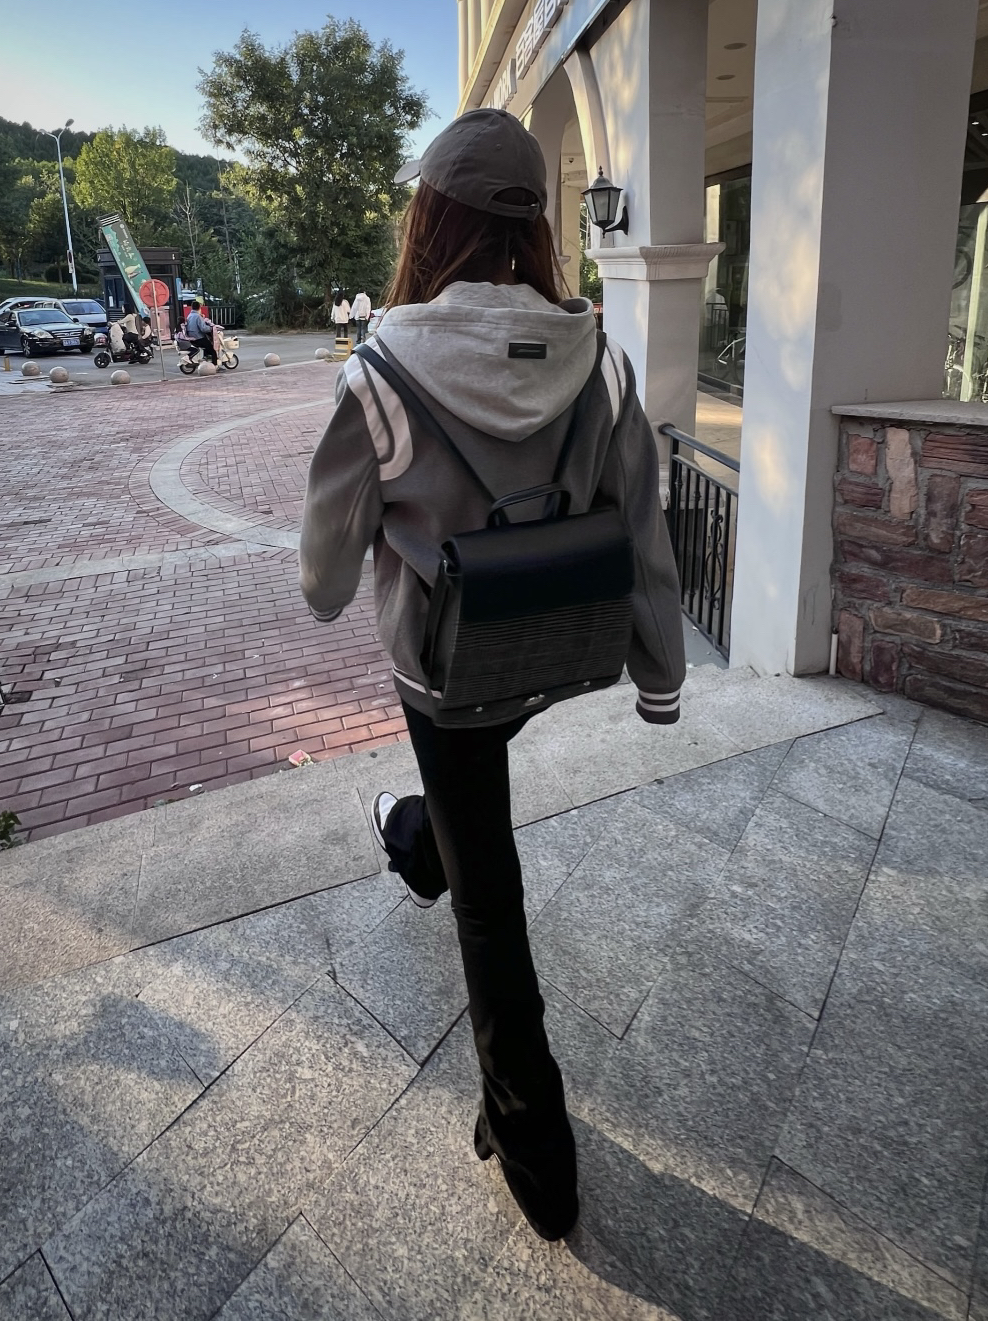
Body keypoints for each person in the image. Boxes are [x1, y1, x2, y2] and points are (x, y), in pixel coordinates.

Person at [299, 109, 684, 1244]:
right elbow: (645, 529)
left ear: (431, 220)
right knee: (463, 814)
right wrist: (659, 676)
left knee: (491, 897)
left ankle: (534, 1150)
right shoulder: (601, 361)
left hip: (444, 671)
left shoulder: (379, 373)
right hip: (558, 647)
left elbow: (324, 575)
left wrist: (362, 558)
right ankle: (414, 839)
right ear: (535, 226)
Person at [184, 299, 217, 364]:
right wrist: (211, 328)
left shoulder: (189, 316)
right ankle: (215, 365)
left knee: (207, 348)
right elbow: (203, 328)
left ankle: (205, 360)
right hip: (198, 338)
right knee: (213, 351)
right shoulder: (198, 316)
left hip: (191, 337)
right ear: (199, 308)